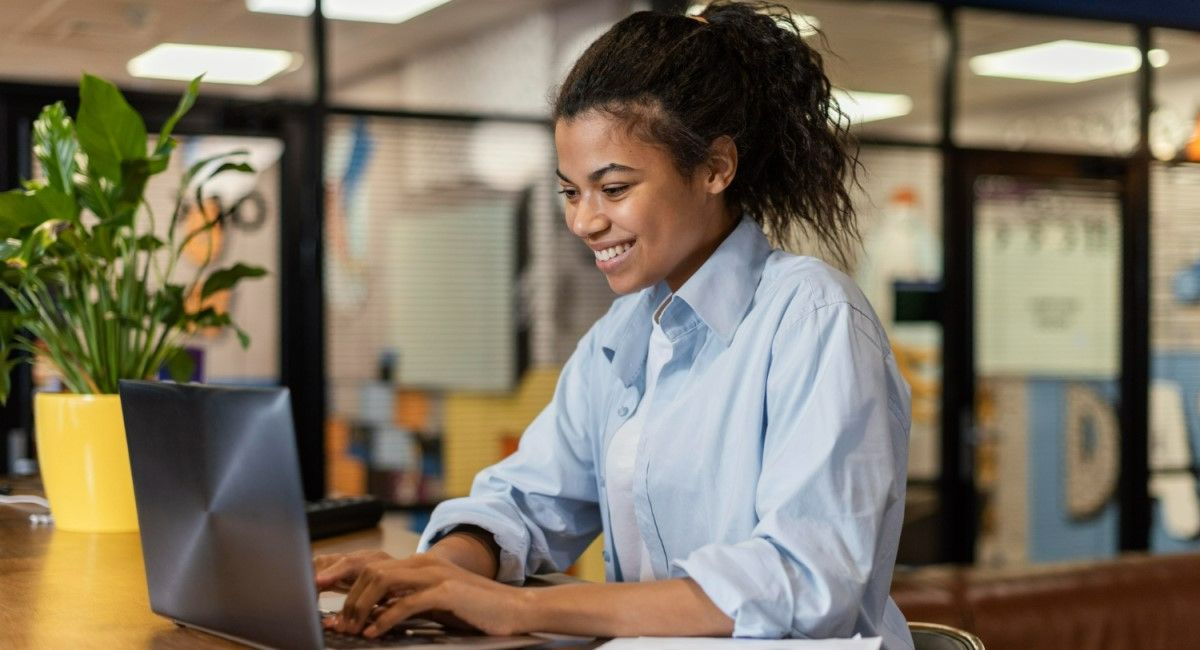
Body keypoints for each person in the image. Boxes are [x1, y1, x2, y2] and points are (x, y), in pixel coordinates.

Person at [314, 2, 913, 647]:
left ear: (716, 167)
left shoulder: (813, 319)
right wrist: (434, 574)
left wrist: (516, 610)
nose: (583, 222)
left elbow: (801, 582)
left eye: (615, 188)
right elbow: (526, 499)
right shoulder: (621, 332)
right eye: (571, 191)